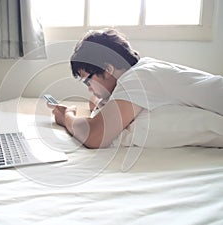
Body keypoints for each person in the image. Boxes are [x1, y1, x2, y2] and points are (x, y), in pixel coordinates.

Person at [47, 28, 223, 149]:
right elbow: (97, 103)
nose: (89, 90)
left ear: (108, 69)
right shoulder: (142, 71)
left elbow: (94, 136)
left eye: (87, 81)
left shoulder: (138, 79)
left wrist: (67, 116)